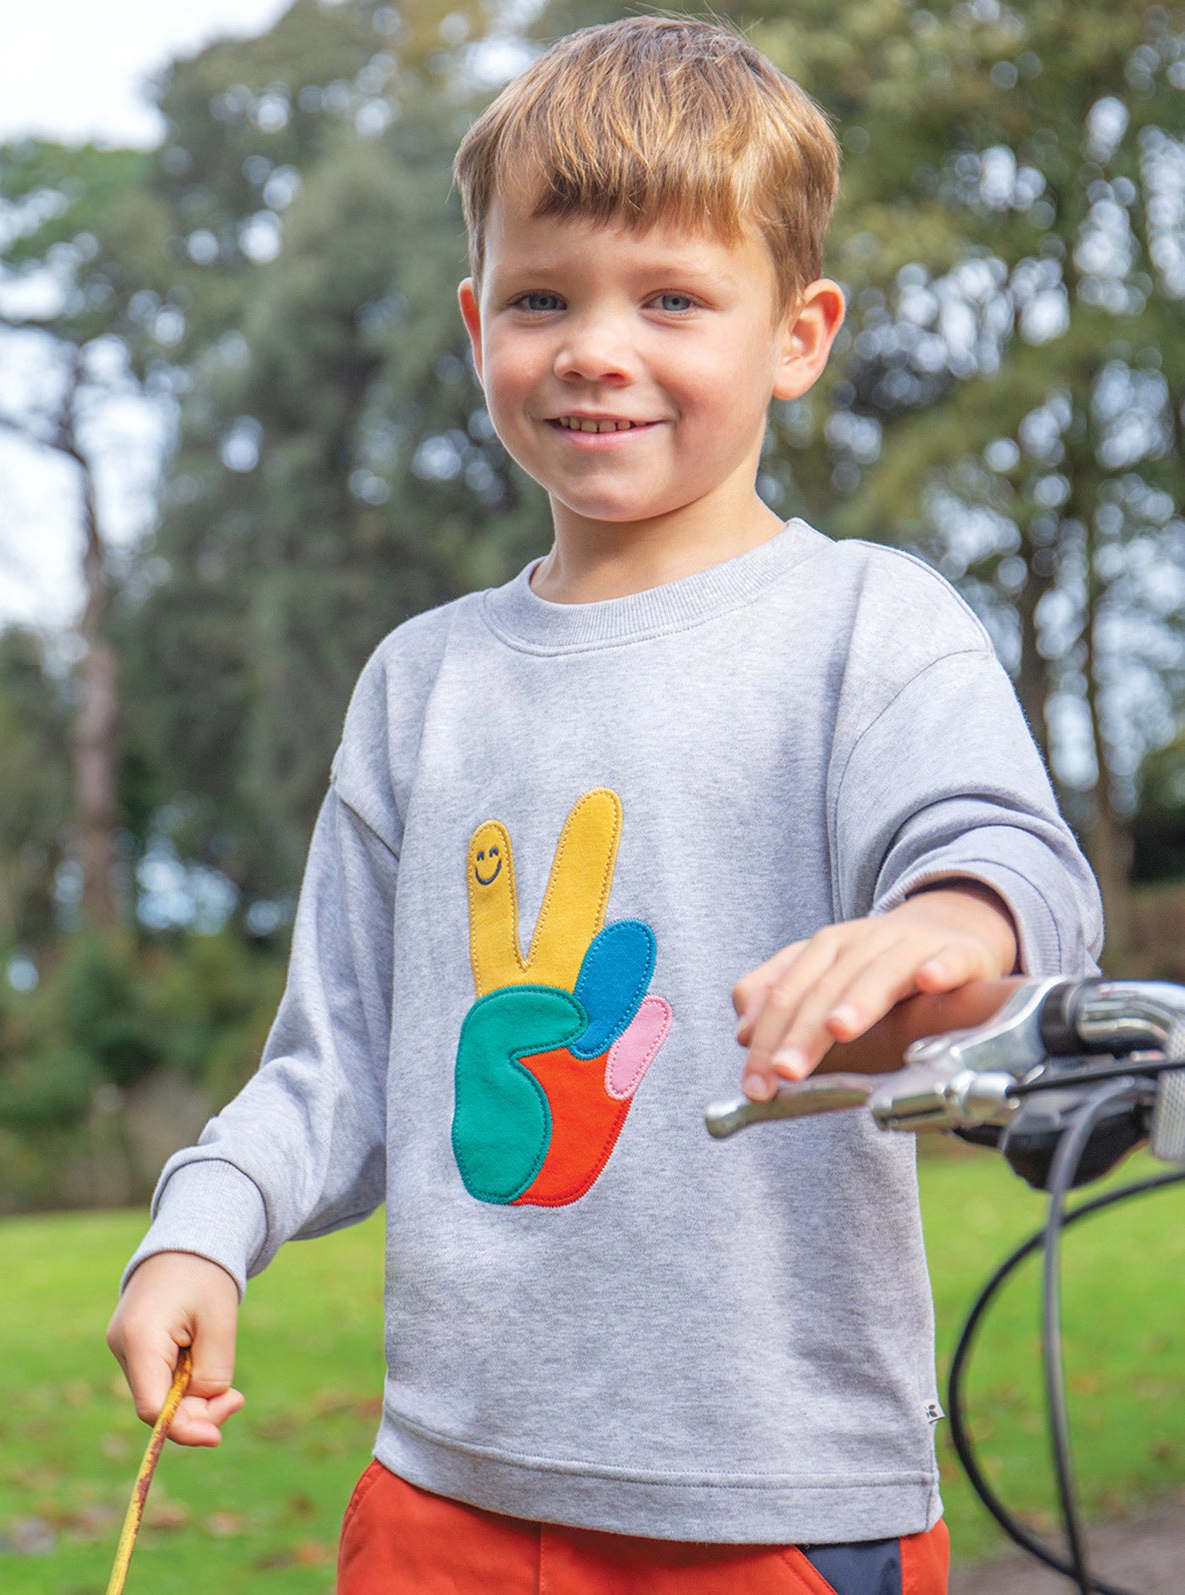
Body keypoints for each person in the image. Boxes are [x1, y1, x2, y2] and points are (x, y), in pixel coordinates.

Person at [107, 16, 1102, 1593]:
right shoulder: (420, 682)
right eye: (541, 298)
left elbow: (1008, 864)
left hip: (773, 1504)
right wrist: (200, 1227)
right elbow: (338, 1060)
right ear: (474, 321)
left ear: (797, 333)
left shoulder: (868, 624)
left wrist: (935, 925)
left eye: (673, 300)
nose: (593, 347)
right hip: (443, 1498)